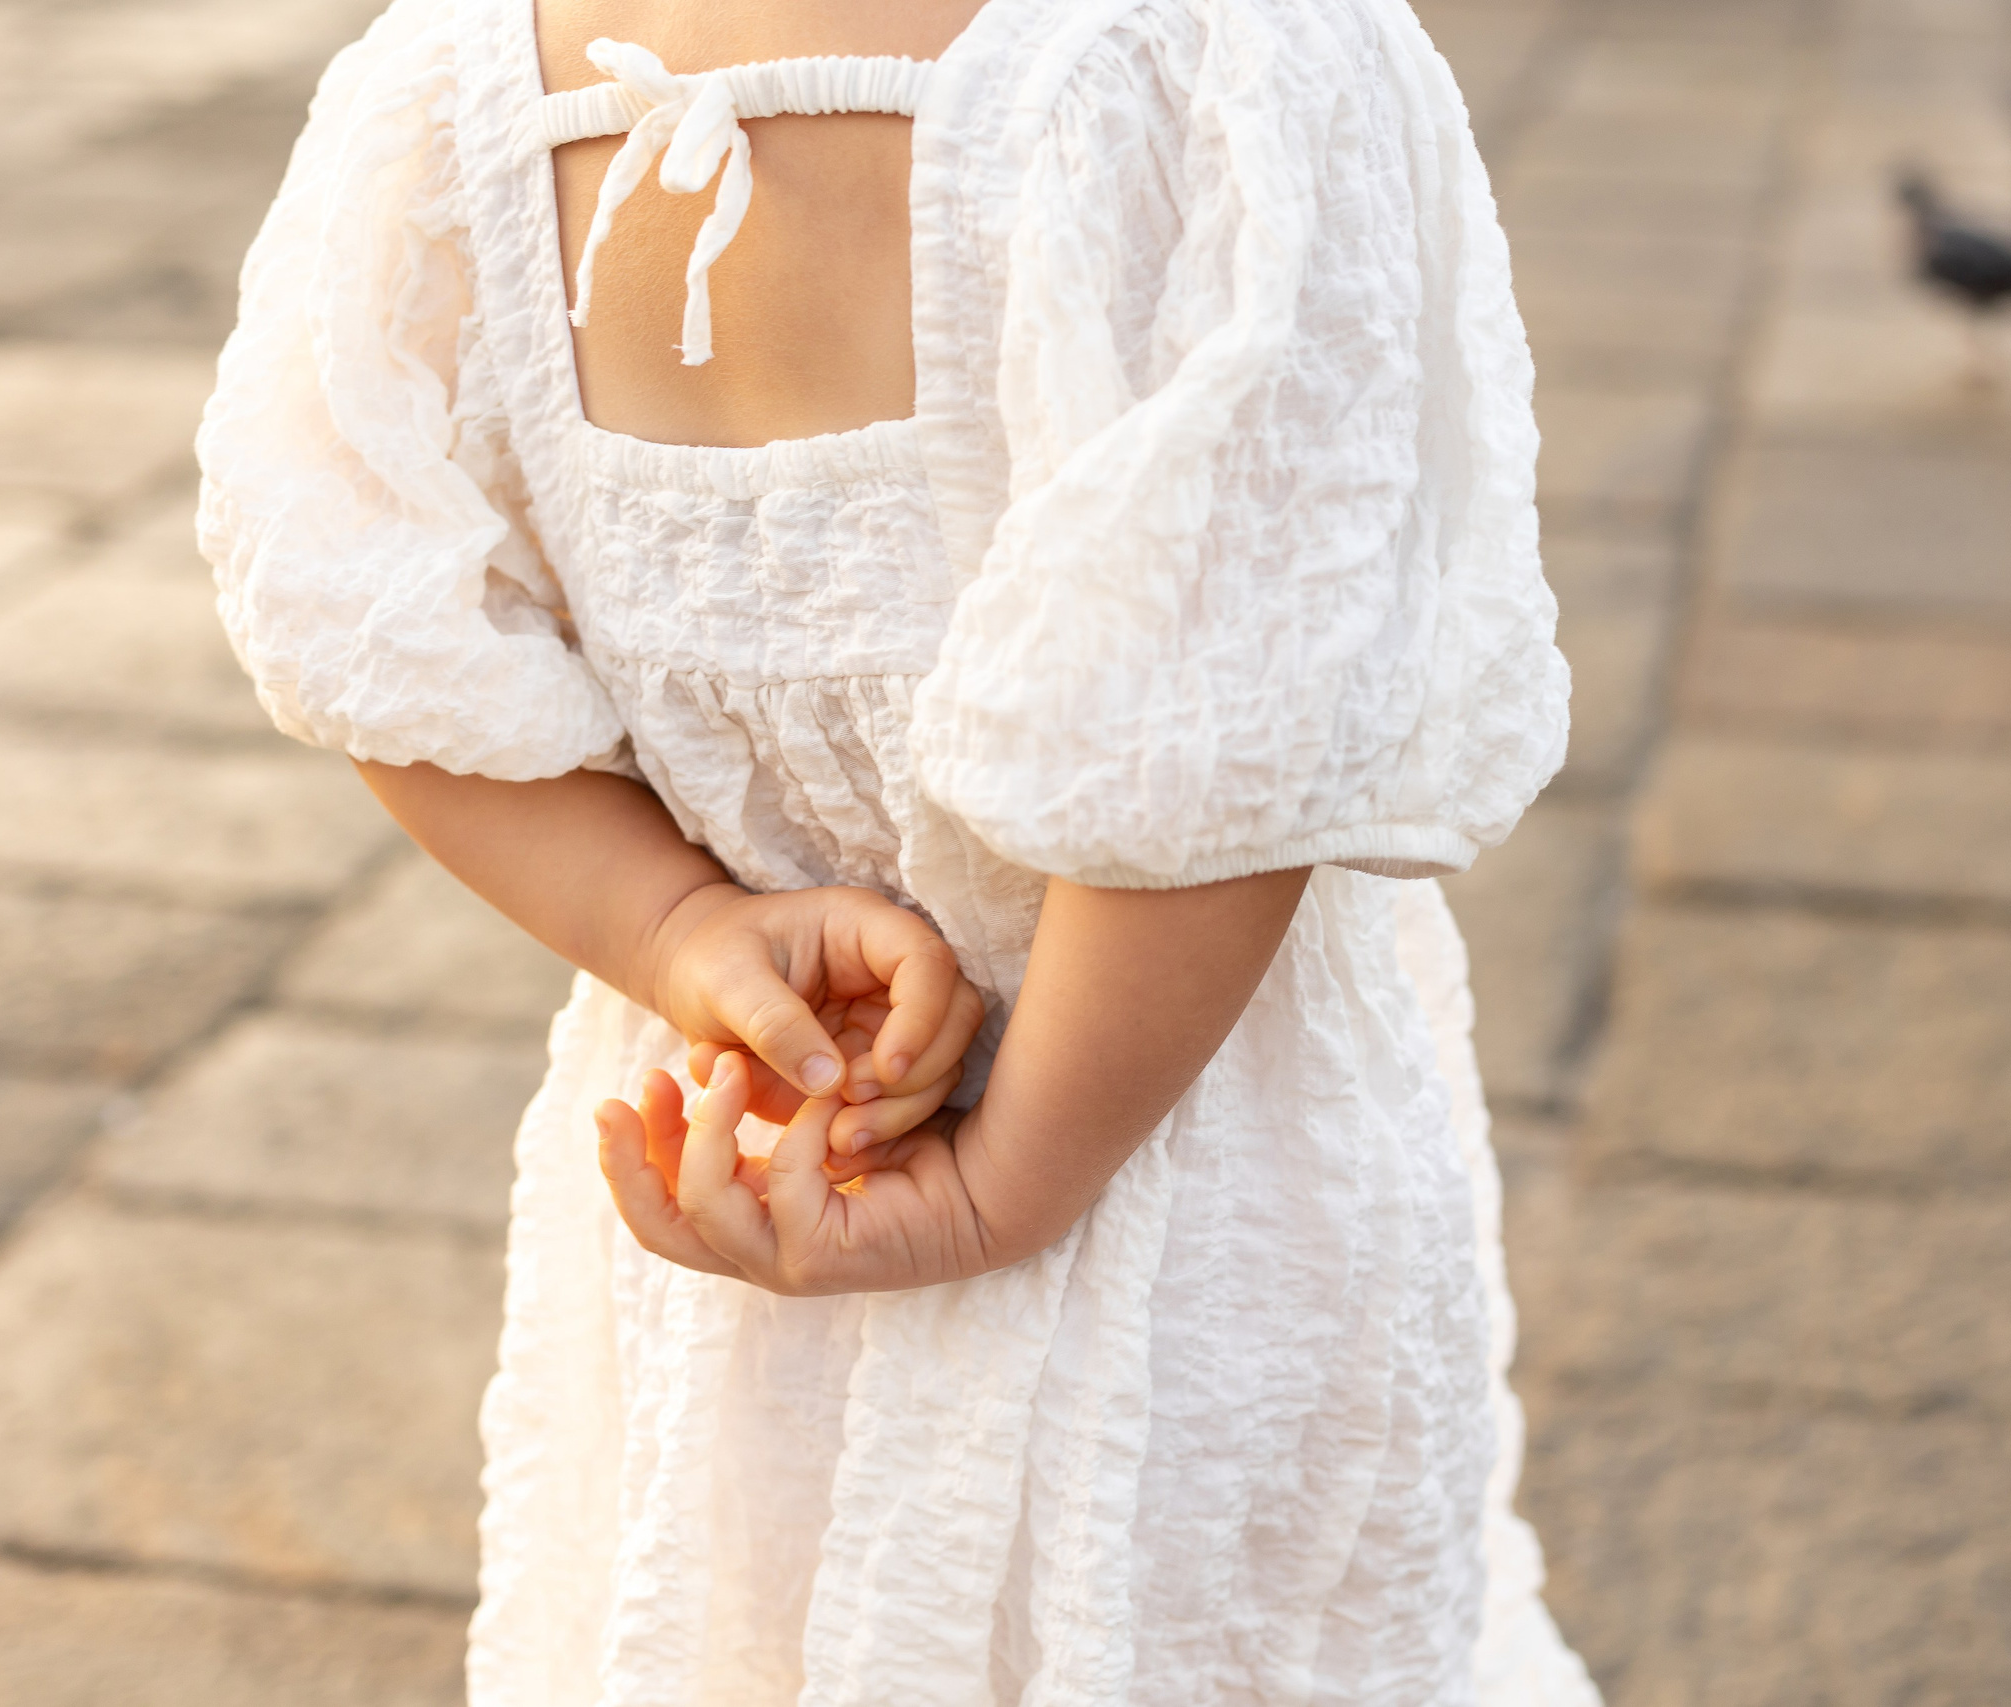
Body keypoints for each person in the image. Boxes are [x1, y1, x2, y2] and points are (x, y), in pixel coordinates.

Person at [197, 0, 1599, 1700]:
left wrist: (684, 928)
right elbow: (1225, 718)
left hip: (765, 1134)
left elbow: (382, 635)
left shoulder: (456, 79)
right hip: (1177, 1162)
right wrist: (1011, 1176)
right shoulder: (1228, 57)